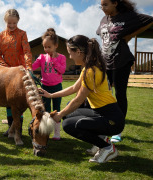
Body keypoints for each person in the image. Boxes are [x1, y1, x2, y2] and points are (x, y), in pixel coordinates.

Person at [39, 35, 125, 163]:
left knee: (68, 125)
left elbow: (78, 100)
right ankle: (102, 140)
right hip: (102, 112)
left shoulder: (91, 71)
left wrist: (60, 114)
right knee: (68, 115)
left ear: (78, 52)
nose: (70, 57)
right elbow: (74, 88)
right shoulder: (88, 67)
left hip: (112, 119)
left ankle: (107, 148)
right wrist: (51, 95)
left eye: (70, 53)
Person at [97, 0, 153, 143]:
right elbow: (101, 34)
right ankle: (104, 126)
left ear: (115, 3)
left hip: (121, 61)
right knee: (103, 94)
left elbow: (149, 20)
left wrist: (130, 35)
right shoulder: (104, 19)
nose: (102, 8)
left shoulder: (126, 16)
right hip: (106, 63)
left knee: (120, 94)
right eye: (101, 5)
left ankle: (118, 130)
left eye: (105, 5)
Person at [0, 9, 32, 136]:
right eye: (9, 23)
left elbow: (27, 51)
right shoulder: (0, 35)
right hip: (7, 72)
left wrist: (28, 67)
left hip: (20, 72)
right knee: (9, 101)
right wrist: (4, 67)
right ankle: (11, 128)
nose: (11, 26)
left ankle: (18, 129)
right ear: (5, 21)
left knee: (19, 101)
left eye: (14, 23)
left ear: (18, 21)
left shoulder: (22, 34)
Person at [32, 28, 66, 140]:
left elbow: (62, 70)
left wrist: (54, 60)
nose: (46, 49)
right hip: (44, 87)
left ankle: (57, 133)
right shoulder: (42, 57)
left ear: (56, 45)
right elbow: (32, 67)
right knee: (45, 111)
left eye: (49, 47)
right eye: (44, 47)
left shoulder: (62, 57)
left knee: (56, 110)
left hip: (57, 87)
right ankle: (45, 132)